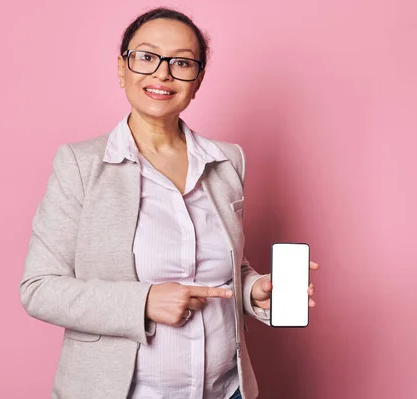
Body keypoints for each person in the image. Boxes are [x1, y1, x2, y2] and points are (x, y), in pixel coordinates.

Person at [20, 7, 318, 399]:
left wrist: (253, 290)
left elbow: (227, 266)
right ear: (122, 68)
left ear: (197, 80)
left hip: (226, 390)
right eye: (146, 57)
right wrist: (143, 301)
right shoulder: (80, 164)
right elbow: (39, 289)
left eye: (181, 62)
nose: (162, 73)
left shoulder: (227, 161)